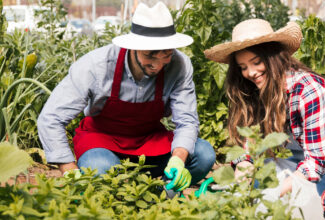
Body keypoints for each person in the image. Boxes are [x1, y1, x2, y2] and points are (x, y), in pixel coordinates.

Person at [204, 19, 325, 219]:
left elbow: (315, 163)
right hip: (303, 162)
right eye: (243, 67)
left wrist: (275, 195)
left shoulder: (307, 89)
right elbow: (249, 146)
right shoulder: (257, 91)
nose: (251, 73)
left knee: (310, 200)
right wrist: (244, 165)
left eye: (256, 62)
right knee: (253, 182)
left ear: (273, 57)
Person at [37, 2, 215, 192]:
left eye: (166, 55)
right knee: (100, 169)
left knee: (203, 155)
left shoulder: (180, 64)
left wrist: (178, 160)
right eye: (150, 56)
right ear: (133, 47)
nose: (158, 65)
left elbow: (187, 121)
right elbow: (51, 119)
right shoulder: (95, 66)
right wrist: (69, 170)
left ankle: (159, 194)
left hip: (149, 141)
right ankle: (122, 193)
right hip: (101, 141)